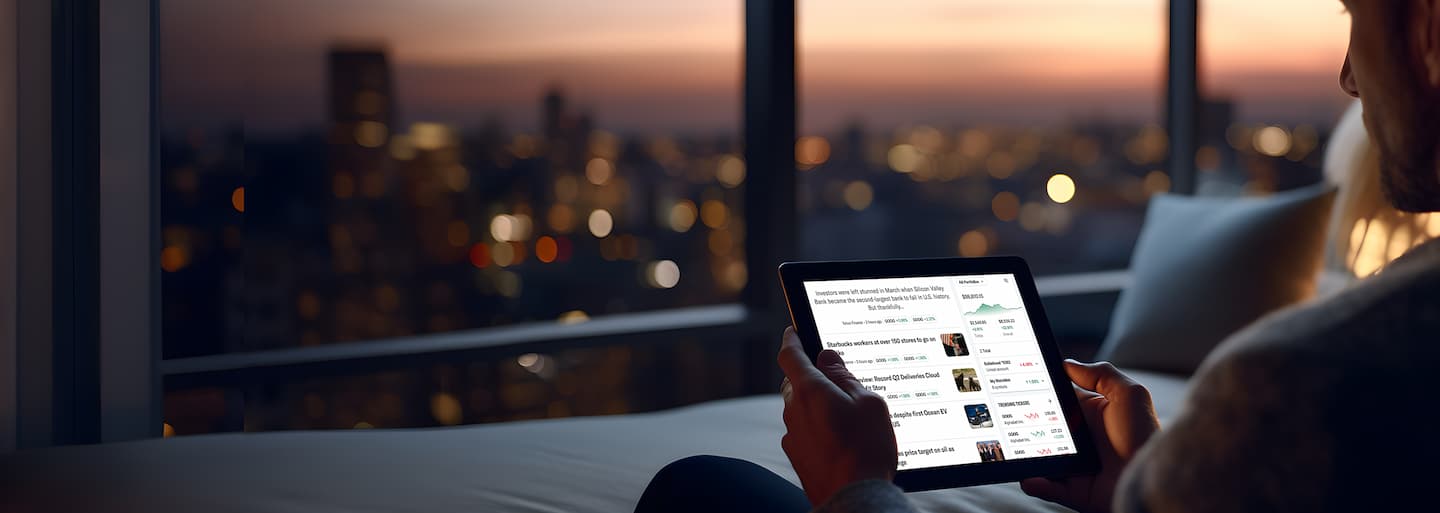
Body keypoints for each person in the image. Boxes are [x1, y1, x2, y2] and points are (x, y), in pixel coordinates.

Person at [636, 2, 1440, 512]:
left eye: (1351, 13)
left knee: (698, 485)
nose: (1345, 73)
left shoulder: (1305, 383)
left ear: (1428, 27)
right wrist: (1143, 495)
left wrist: (859, 487)